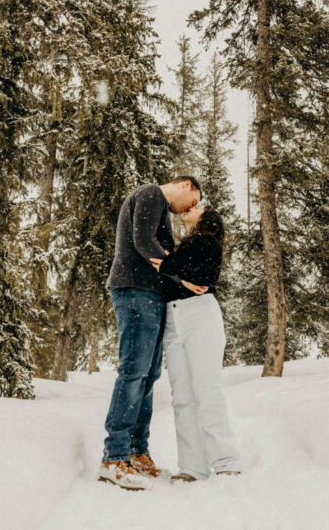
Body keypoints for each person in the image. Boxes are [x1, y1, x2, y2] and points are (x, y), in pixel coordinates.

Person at [97, 175, 205, 491]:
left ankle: (136, 451)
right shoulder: (151, 194)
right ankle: (113, 458)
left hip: (150, 294)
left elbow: (162, 252)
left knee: (148, 374)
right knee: (133, 372)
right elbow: (144, 243)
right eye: (194, 201)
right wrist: (182, 277)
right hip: (134, 290)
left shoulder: (160, 209)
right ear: (186, 185)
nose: (191, 208)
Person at [151, 203, 242, 483]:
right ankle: (192, 468)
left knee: (206, 390)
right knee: (182, 398)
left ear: (207, 217)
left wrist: (168, 266)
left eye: (198, 206)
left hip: (199, 314)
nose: (190, 207)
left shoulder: (207, 241)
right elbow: (176, 277)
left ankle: (226, 462)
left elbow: (203, 277)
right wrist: (177, 273)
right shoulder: (183, 246)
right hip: (173, 317)